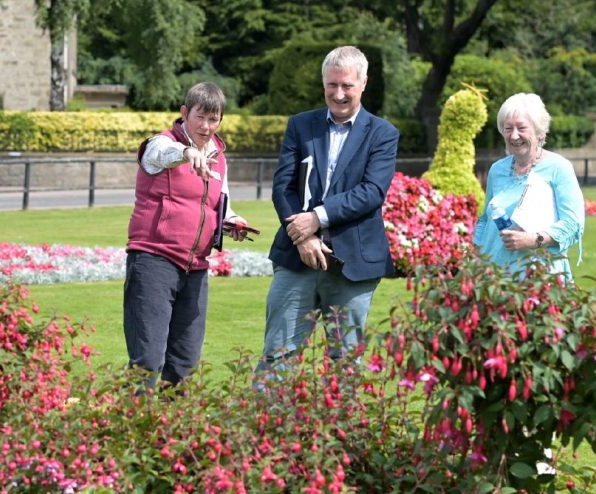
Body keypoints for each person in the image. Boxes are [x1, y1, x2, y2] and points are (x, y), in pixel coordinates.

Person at [256, 46, 399, 379]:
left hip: (353, 263)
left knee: (345, 364)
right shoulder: (300, 125)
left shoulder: (383, 134)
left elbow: (371, 192)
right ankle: (266, 429)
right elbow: (283, 188)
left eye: (347, 85)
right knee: (277, 356)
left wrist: (315, 218)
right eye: (332, 84)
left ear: (363, 83)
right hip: (296, 257)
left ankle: (344, 432)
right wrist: (302, 235)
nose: (338, 93)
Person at [124, 82, 247, 391]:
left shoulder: (219, 155)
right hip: (154, 260)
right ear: (184, 113)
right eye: (200, 117)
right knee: (147, 361)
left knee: (184, 363)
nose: (206, 126)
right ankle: (131, 431)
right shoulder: (160, 144)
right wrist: (187, 151)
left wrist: (231, 220)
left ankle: (171, 433)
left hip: (195, 269)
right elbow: (161, 154)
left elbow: (220, 201)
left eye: (213, 119)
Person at [474, 92, 585, 281]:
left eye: (521, 128)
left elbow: (573, 224)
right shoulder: (497, 170)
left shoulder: (559, 168)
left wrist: (533, 240)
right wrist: (475, 257)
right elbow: (485, 219)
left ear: (540, 132)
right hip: (493, 277)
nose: (514, 135)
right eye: (508, 128)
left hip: (540, 277)